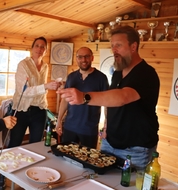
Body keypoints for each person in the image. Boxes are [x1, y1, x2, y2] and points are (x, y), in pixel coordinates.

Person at [57, 25, 160, 170]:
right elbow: (110, 104)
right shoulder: (118, 72)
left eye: (118, 45)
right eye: (112, 46)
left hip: (135, 149)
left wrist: (84, 97)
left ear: (133, 46)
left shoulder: (146, 74)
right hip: (109, 142)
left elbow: (122, 97)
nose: (114, 50)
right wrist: (106, 127)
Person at [0, 36, 60, 190]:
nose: (39, 49)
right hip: (22, 111)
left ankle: (31, 179)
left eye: (42, 47)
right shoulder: (23, 65)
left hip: (39, 111)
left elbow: (40, 93)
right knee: (14, 145)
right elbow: (23, 91)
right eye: (37, 46)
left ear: (45, 50)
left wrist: (49, 94)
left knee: (36, 147)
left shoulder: (45, 67)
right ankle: (2, 177)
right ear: (32, 48)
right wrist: (45, 86)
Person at [56, 47, 109, 148]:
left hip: (89, 130)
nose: (83, 60)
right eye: (80, 57)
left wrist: (106, 127)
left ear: (92, 58)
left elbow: (107, 104)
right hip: (69, 127)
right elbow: (64, 100)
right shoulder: (71, 77)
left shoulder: (101, 78)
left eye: (87, 56)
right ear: (76, 59)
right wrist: (59, 121)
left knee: (87, 160)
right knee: (66, 158)